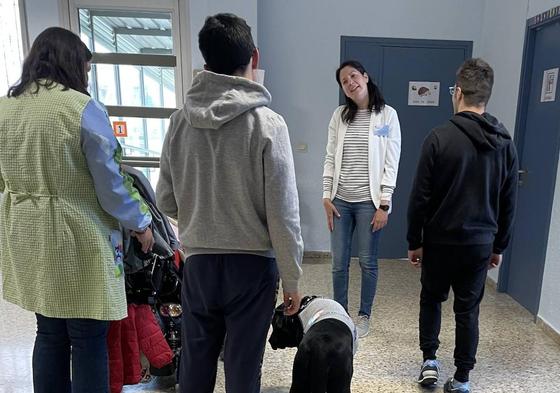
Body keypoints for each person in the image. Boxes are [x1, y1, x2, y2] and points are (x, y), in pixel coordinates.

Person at [0, 27, 154, 393]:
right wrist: (141, 222)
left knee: (49, 332)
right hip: (77, 238)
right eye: (86, 68)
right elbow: (112, 183)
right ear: (73, 65)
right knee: (87, 338)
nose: (87, 76)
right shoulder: (82, 110)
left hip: (26, 236)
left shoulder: (5, 109)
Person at [155, 13, 304, 393]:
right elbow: (283, 212)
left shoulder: (179, 123)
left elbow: (165, 200)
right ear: (254, 56)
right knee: (242, 368)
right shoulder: (268, 124)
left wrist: (203, 215)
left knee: (195, 364)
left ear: (205, 63)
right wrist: (292, 278)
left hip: (199, 264)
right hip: (252, 268)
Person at [407, 58, 518, 393]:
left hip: (440, 241)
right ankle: (463, 379)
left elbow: (419, 197)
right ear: (486, 96)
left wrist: (415, 240)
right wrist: (499, 245)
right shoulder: (505, 143)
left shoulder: (438, 138)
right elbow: (508, 200)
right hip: (479, 244)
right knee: (468, 310)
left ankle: (429, 362)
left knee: (431, 299)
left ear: (457, 93)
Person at [322, 60, 401, 338]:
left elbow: (391, 162)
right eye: (344, 81)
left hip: (370, 204)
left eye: (353, 76)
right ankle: (340, 314)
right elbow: (330, 157)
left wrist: (384, 204)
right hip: (340, 201)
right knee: (338, 262)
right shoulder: (339, 115)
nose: (350, 83)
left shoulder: (387, 115)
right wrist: (326, 195)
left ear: (365, 77)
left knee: (367, 261)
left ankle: (364, 313)